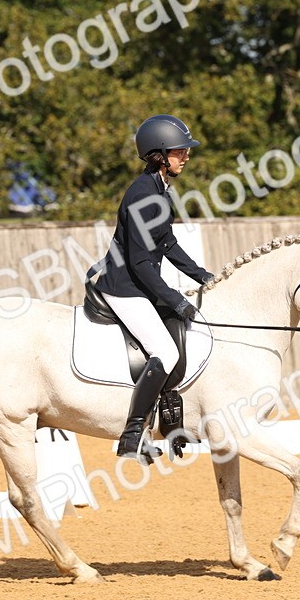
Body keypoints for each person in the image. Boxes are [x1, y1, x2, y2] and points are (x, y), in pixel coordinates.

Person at [92, 114, 217, 463]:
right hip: (125, 287)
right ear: (159, 154)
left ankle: (171, 422)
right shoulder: (141, 194)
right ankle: (132, 433)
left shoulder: (161, 191)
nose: (186, 156)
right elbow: (141, 264)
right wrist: (175, 300)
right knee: (166, 350)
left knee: (181, 337)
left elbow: (168, 244)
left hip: (141, 285)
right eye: (180, 151)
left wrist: (203, 276)